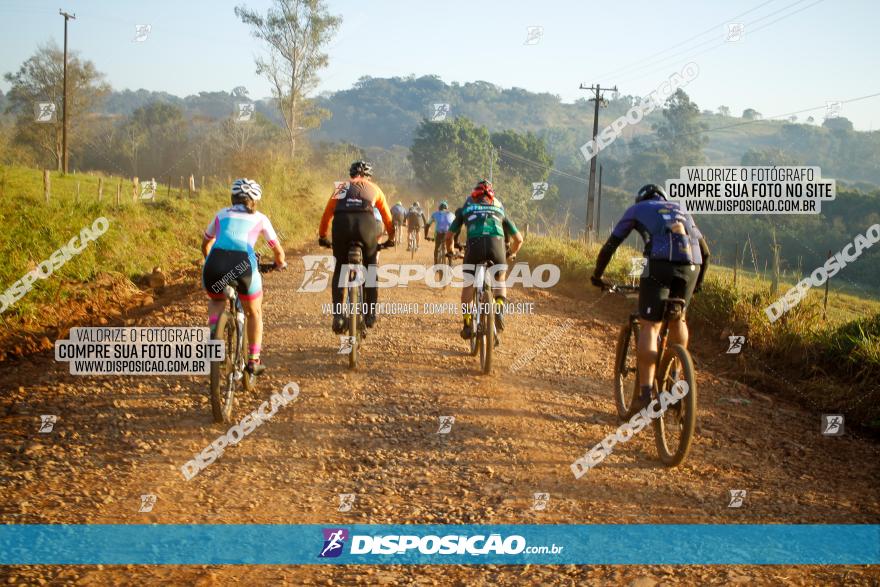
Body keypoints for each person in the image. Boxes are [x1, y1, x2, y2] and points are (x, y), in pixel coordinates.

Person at [590, 183, 710, 411]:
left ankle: (644, 395)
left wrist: (597, 275)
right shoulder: (681, 209)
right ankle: (674, 379)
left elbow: (610, 245)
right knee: (678, 319)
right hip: (692, 266)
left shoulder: (637, 209)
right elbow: (706, 252)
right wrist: (698, 286)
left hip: (658, 264)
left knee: (651, 326)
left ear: (641, 199)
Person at [201, 178, 286, 376]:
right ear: (255, 201)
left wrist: (212, 264)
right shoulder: (261, 219)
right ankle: (254, 360)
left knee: (216, 301)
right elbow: (278, 252)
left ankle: (216, 337)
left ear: (232, 198)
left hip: (216, 263)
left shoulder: (220, 214)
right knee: (254, 312)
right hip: (243, 265)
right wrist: (280, 264)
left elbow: (205, 245)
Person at [318, 160, 396, 333]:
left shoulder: (342, 187)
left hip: (342, 225)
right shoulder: (375, 188)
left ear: (351, 175)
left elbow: (327, 214)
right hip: (366, 226)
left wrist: (323, 236)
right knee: (370, 270)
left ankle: (338, 316)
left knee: (340, 268)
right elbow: (387, 218)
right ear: (369, 176)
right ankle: (370, 315)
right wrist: (391, 238)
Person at [446, 180, 523, 340]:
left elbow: (449, 236)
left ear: (474, 196)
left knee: (468, 284)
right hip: (497, 247)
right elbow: (519, 239)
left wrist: (451, 251)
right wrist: (511, 254)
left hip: (474, 246)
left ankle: (467, 324)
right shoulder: (499, 209)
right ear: (490, 198)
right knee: (500, 278)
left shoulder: (465, 208)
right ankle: (499, 311)